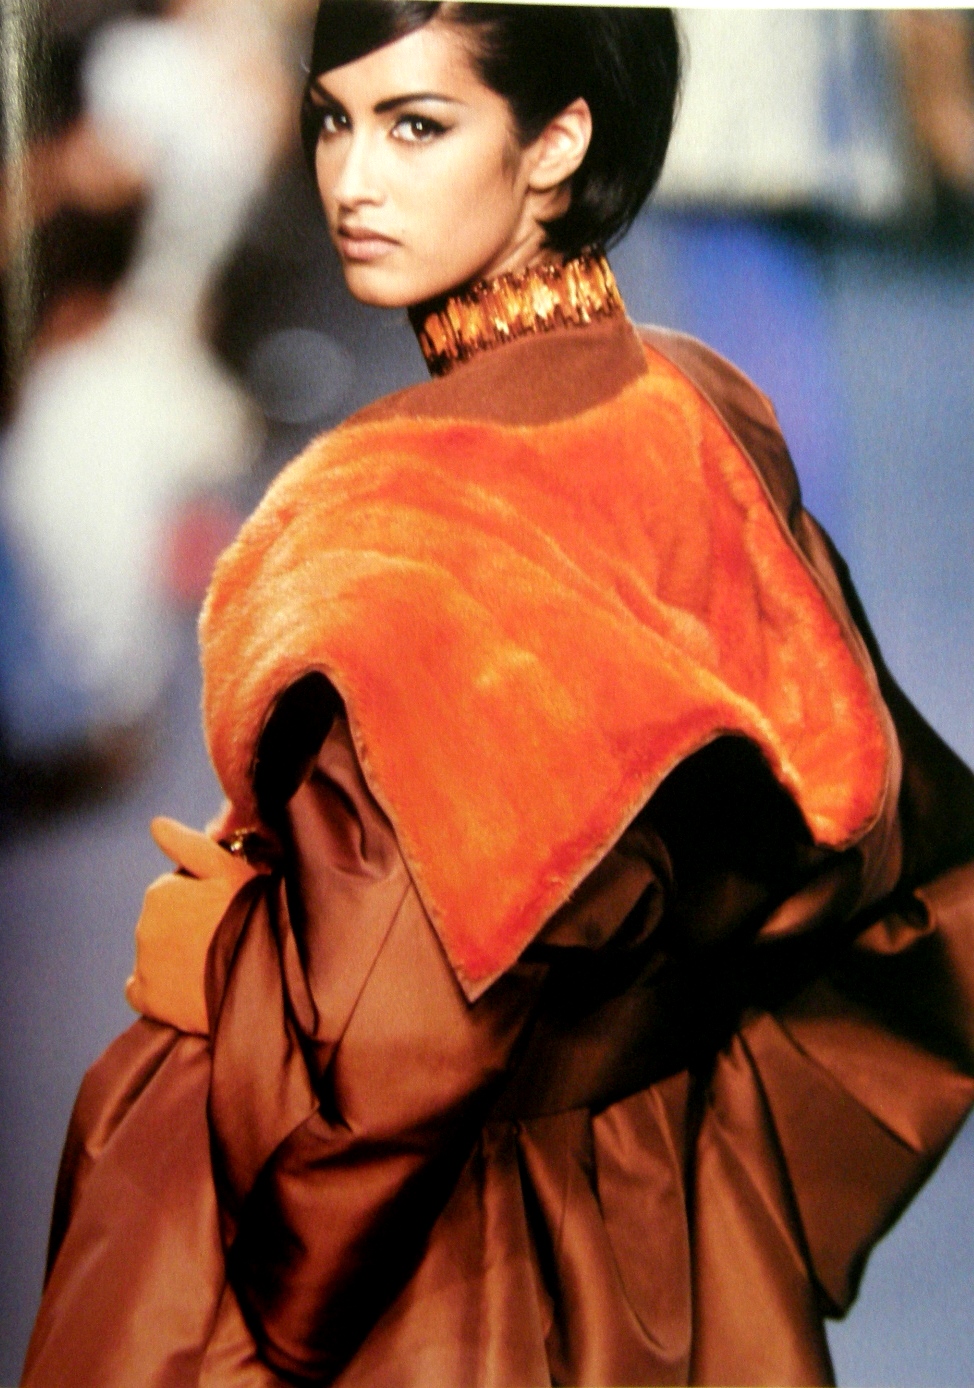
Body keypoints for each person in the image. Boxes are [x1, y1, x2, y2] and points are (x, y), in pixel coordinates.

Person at [22, 5, 974, 1386]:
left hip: (444, 1297)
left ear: (559, 142)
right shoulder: (702, 413)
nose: (352, 180)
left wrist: (218, 971)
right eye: (334, 121)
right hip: (676, 1259)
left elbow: (385, 1079)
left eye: (416, 125)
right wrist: (713, 1162)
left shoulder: (392, 532)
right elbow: (921, 883)